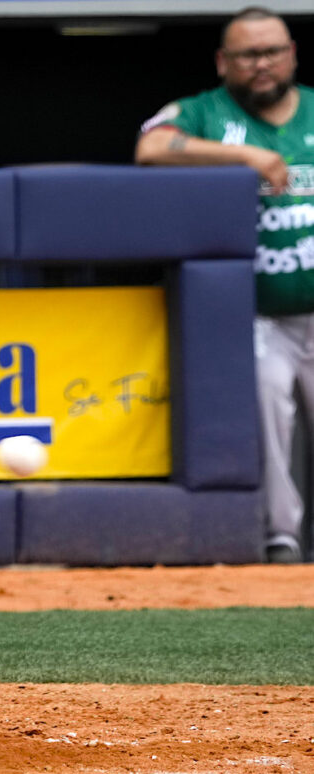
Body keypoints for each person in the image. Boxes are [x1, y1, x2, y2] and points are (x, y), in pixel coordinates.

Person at [135, 6, 314, 564]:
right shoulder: (204, 113)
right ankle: (281, 541)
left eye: (272, 51)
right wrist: (245, 155)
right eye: (247, 55)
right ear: (223, 61)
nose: (261, 64)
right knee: (265, 408)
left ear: (291, 53)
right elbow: (151, 148)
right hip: (260, 316)